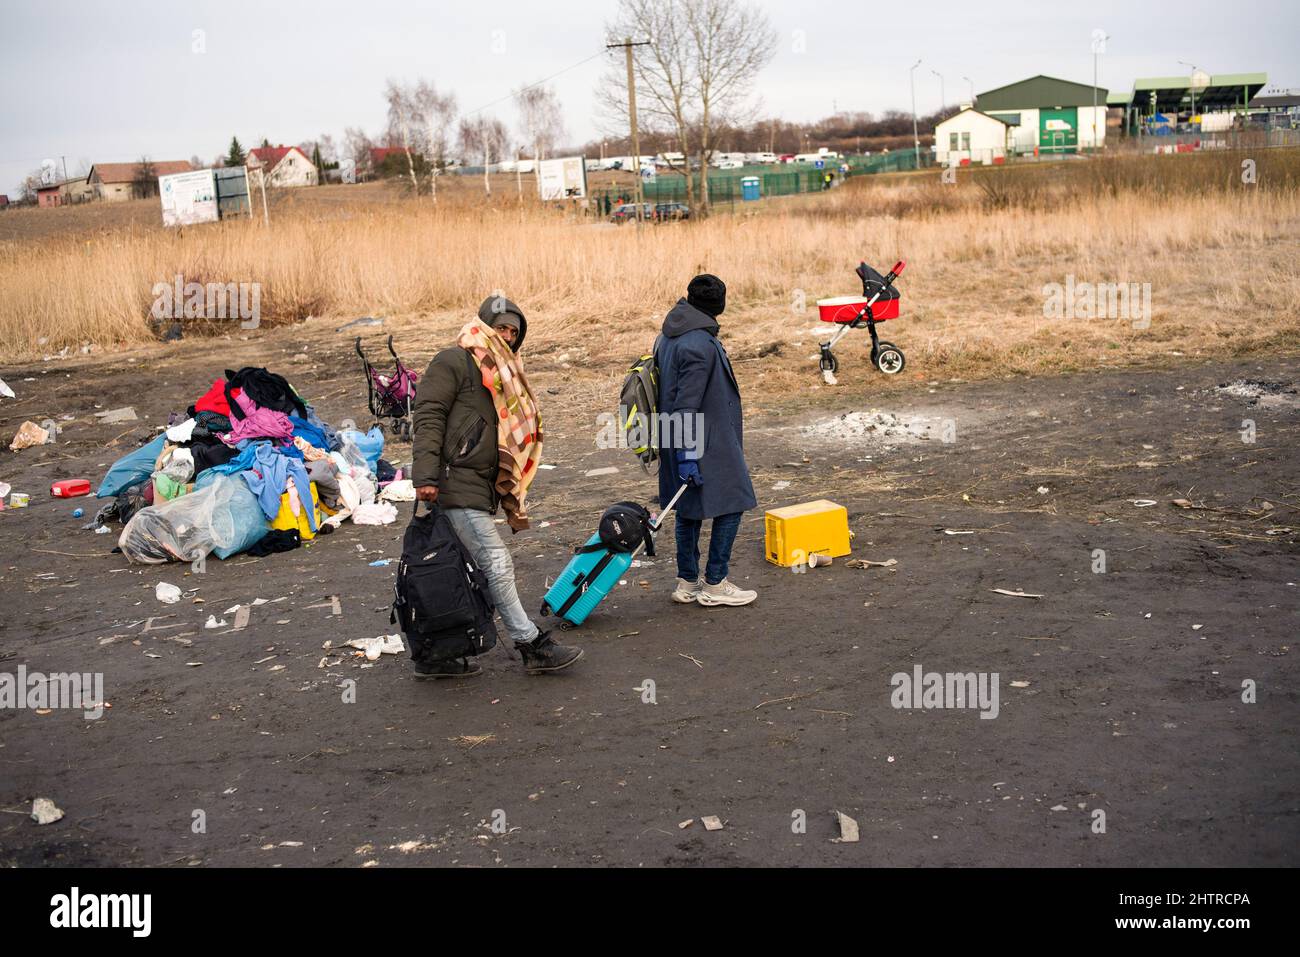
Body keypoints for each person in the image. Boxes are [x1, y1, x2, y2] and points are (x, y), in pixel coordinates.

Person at [411, 295, 583, 677]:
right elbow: (428, 415)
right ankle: (530, 643)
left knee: (457, 570)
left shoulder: (505, 374)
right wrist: (424, 476)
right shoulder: (454, 360)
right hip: (454, 482)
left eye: (513, 331)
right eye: (501, 326)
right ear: (485, 324)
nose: (506, 334)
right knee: (496, 562)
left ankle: (435, 655)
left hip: (475, 485)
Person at [655, 274, 758, 607]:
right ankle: (715, 583)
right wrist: (688, 456)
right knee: (735, 499)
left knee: (688, 508)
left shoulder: (669, 335)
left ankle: (687, 582)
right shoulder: (698, 344)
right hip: (702, 439)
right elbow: (686, 404)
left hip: (675, 434)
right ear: (718, 304)